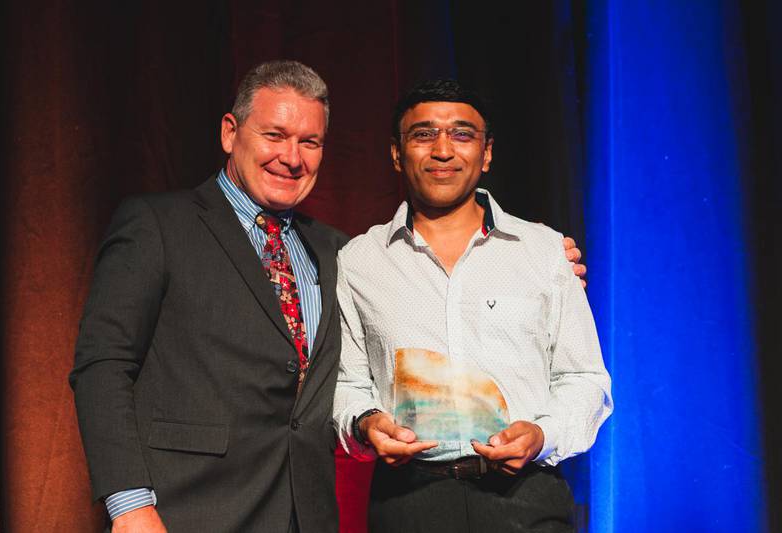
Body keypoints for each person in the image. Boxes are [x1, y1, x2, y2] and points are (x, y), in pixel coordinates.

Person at [70, 60, 347, 533]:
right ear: (229, 133)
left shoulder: (336, 249)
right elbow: (104, 365)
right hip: (184, 512)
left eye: (310, 142)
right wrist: (130, 504)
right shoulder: (157, 225)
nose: (292, 157)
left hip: (307, 516)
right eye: (274, 135)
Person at [332, 79, 612, 532]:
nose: (443, 149)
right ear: (396, 153)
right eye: (423, 134)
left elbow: (583, 378)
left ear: (486, 153)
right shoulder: (361, 261)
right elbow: (347, 383)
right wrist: (365, 423)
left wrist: (543, 435)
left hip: (527, 498)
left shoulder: (542, 251)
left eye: (462, 134)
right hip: (407, 502)